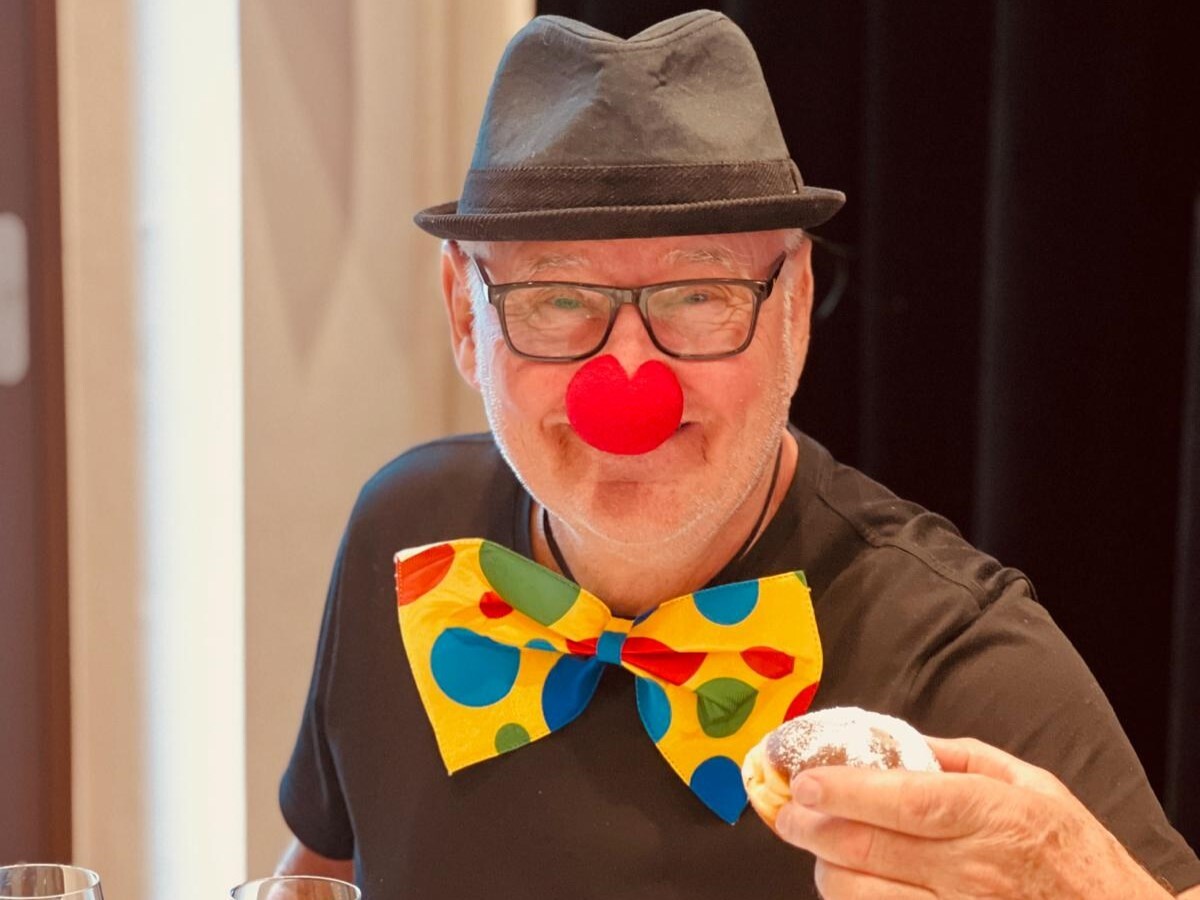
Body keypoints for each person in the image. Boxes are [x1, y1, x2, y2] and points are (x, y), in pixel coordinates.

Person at [275, 11, 1200, 899]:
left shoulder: (959, 658)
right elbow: (320, 873)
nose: (628, 379)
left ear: (794, 307)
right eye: (557, 299)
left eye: (699, 294)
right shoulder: (401, 533)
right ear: (464, 316)